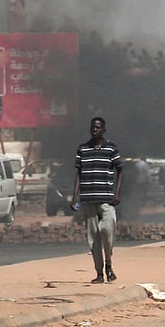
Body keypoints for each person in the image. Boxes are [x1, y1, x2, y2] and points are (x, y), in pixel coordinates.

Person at [70, 116, 123, 284]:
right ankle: (100, 273)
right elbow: (79, 173)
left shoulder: (111, 149)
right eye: (93, 127)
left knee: (107, 231)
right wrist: (75, 196)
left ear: (104, 130)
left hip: (106, 199)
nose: (95, 130)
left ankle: (109, 264)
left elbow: (120, 171)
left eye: (98, 127)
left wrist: (117, 193)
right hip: (88, 199)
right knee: (93, 239)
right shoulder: (83, 149)